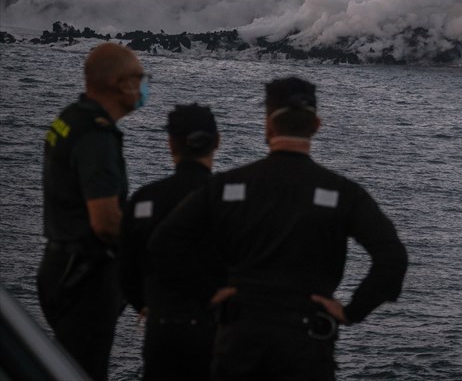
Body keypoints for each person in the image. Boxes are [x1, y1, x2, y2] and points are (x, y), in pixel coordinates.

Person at [150, 77, 408, 381]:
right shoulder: (343, 193)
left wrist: (207, 292)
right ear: (316, 126)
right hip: (307, 341)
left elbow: (164, 243)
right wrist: (353, 310)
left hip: (240, 336)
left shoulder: (227, 186)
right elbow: (392, 257)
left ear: (268, 125)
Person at [37, 42, 148, 381]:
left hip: (60, 266)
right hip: (85, 277)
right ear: (121, 84)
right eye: (140, 78)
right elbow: (105, 222)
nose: (144, 86)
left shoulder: (70, 118)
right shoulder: (96, 136)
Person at [119, 104, 222, 381]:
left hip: (162, 327)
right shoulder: (231, 201)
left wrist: (146, 304)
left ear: (170, 143)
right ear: (217, 142)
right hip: (216, 331)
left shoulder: (145, 198)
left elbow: (126, 270)